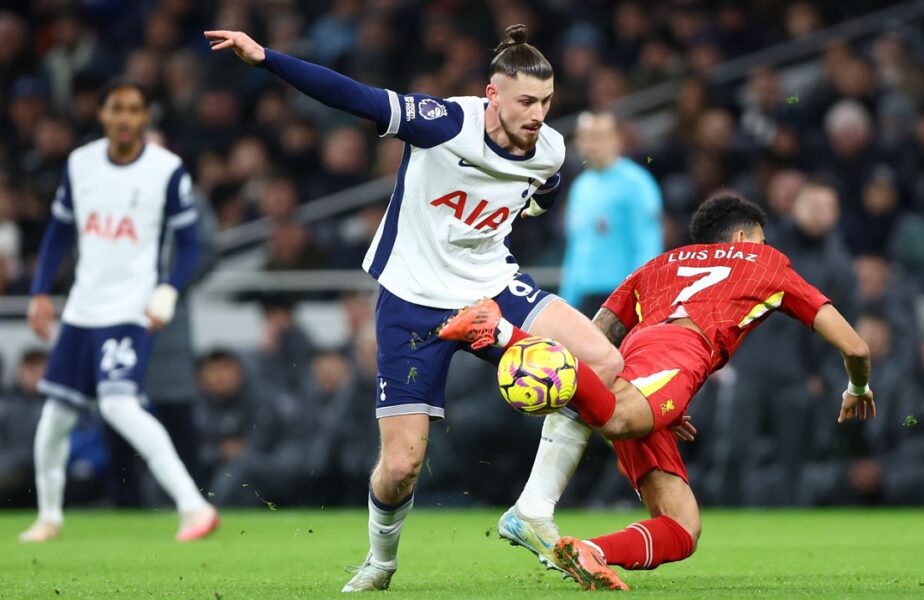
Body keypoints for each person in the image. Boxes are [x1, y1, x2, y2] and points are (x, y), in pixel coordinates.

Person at [205, 24, 624, 592]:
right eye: (526, 100)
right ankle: (381, 560)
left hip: (491, 286)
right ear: (492, 94)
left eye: (547, 101)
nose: (538, 113)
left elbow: (541, 192)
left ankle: (532, 511)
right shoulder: (446, 122)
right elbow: (355, 96)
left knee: (603, 362)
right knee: (401, 467)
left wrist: (520, 218)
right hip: (413, 301)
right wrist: (265, 59)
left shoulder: (551, 148)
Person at [440, 194, 875, 591]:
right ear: (743, 238)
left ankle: (592, 551)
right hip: (679, 353)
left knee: (683, 528)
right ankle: (498, 330)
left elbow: (596, 336)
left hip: (641, 363)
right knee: (618, 417)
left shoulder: (658, 264)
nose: (761, 247)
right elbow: (855, 346)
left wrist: (650, 396)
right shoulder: (767, 262)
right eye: (759, 240)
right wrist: (857, 386)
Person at [20, 80, 219, 543]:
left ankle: (194, 506)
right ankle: (49, 515)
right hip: (82, 310)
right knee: (55, 416)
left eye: (135, 110)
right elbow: (58, 232)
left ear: (145, 118)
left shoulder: (166, 169)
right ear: (103, 115)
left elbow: (191, 244)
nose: (126, 118)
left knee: (118, 404)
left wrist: (168, 289)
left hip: (129, 310)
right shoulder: (81, 163)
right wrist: (39, 291)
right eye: (117, 109)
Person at [559, 111, 663, 317]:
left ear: (617, 140)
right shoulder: (580, 187)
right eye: (586, 137)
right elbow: (575, 248)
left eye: (599, 137)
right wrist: (566, 301)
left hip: (621, 298)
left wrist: (641, 300)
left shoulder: (636, 183)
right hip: (584, 299)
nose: (591, 145)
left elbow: (647, 244)